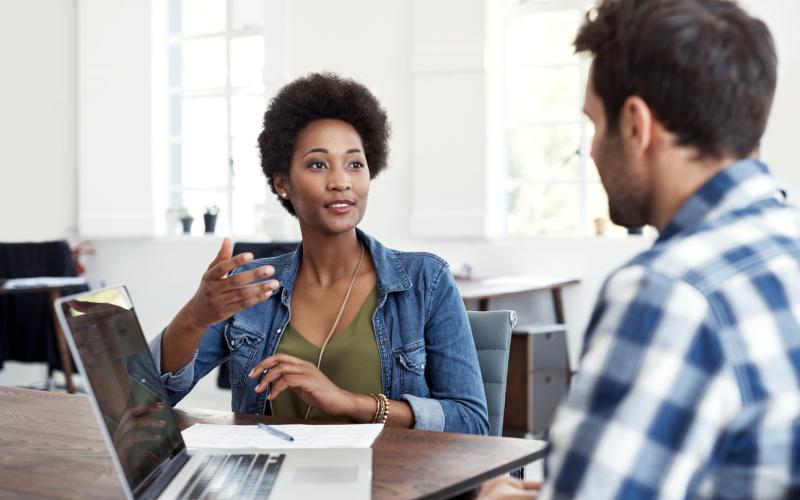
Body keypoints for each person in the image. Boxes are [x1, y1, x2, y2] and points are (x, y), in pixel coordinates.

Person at [481, 0, 800, 498]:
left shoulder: (669, 291)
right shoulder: (784, 245)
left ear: (635, 124)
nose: (588, 149)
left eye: (593, 123)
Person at [150, 72, 489, 435]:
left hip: (390, 484)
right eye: (318, 164)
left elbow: (471, 422)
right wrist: (195, 317)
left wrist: (350, 402)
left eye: (355, 164)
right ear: (282, 183)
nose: (341, 181)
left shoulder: (426, 280)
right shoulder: (252, 289)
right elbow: (146, 399)